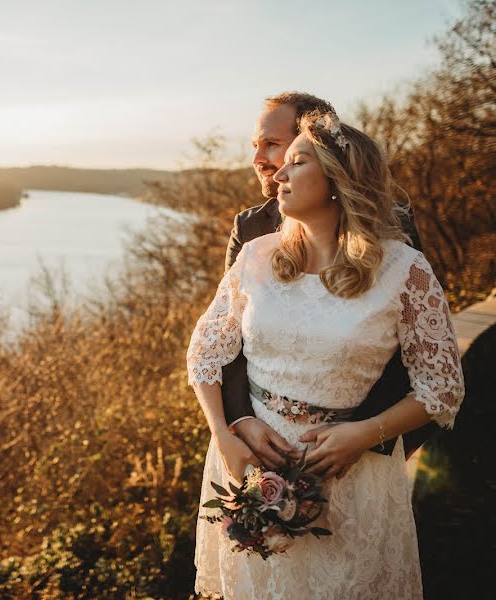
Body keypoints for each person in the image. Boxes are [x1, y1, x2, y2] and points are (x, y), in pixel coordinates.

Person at [185, 110, 465, 598]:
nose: (278, 173)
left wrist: (364, 434)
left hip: (351, 476)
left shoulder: (403, 270)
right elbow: (205, 355)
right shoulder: (256, 256)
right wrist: (225, 434)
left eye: (296, 161)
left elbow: (442, 389)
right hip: (250, 467)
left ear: (339, 178)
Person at [221, 92, 437, 482]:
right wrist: (238, 422)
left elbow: (414, 345)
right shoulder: (250, 230)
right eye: (256, 145)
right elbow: (228, 341)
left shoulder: (390, 228)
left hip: (355, 453)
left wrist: (364, 438)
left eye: (272, 144)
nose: (259, 160)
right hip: (261, 452)